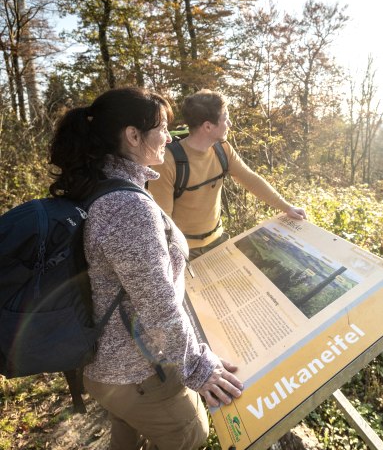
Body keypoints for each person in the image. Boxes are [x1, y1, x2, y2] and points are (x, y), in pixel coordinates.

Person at [49, 87, 243, 450]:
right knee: (191, 436)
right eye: (162, 128)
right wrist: (199, 368)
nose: (170, 137)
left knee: (125, 430)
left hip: (106, 367)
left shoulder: (97, 186)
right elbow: (158, 306)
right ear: (133, 136)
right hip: (136, 372)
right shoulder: (126, 208)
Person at [149, 89, 307, 259]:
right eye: (225, 119)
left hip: (219, 241)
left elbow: (250, 179)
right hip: (184, 251)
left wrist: (287, 207)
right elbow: (163, 221)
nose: (230, 124)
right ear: (208, 126)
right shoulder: (167, 161)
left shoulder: (222, 149)